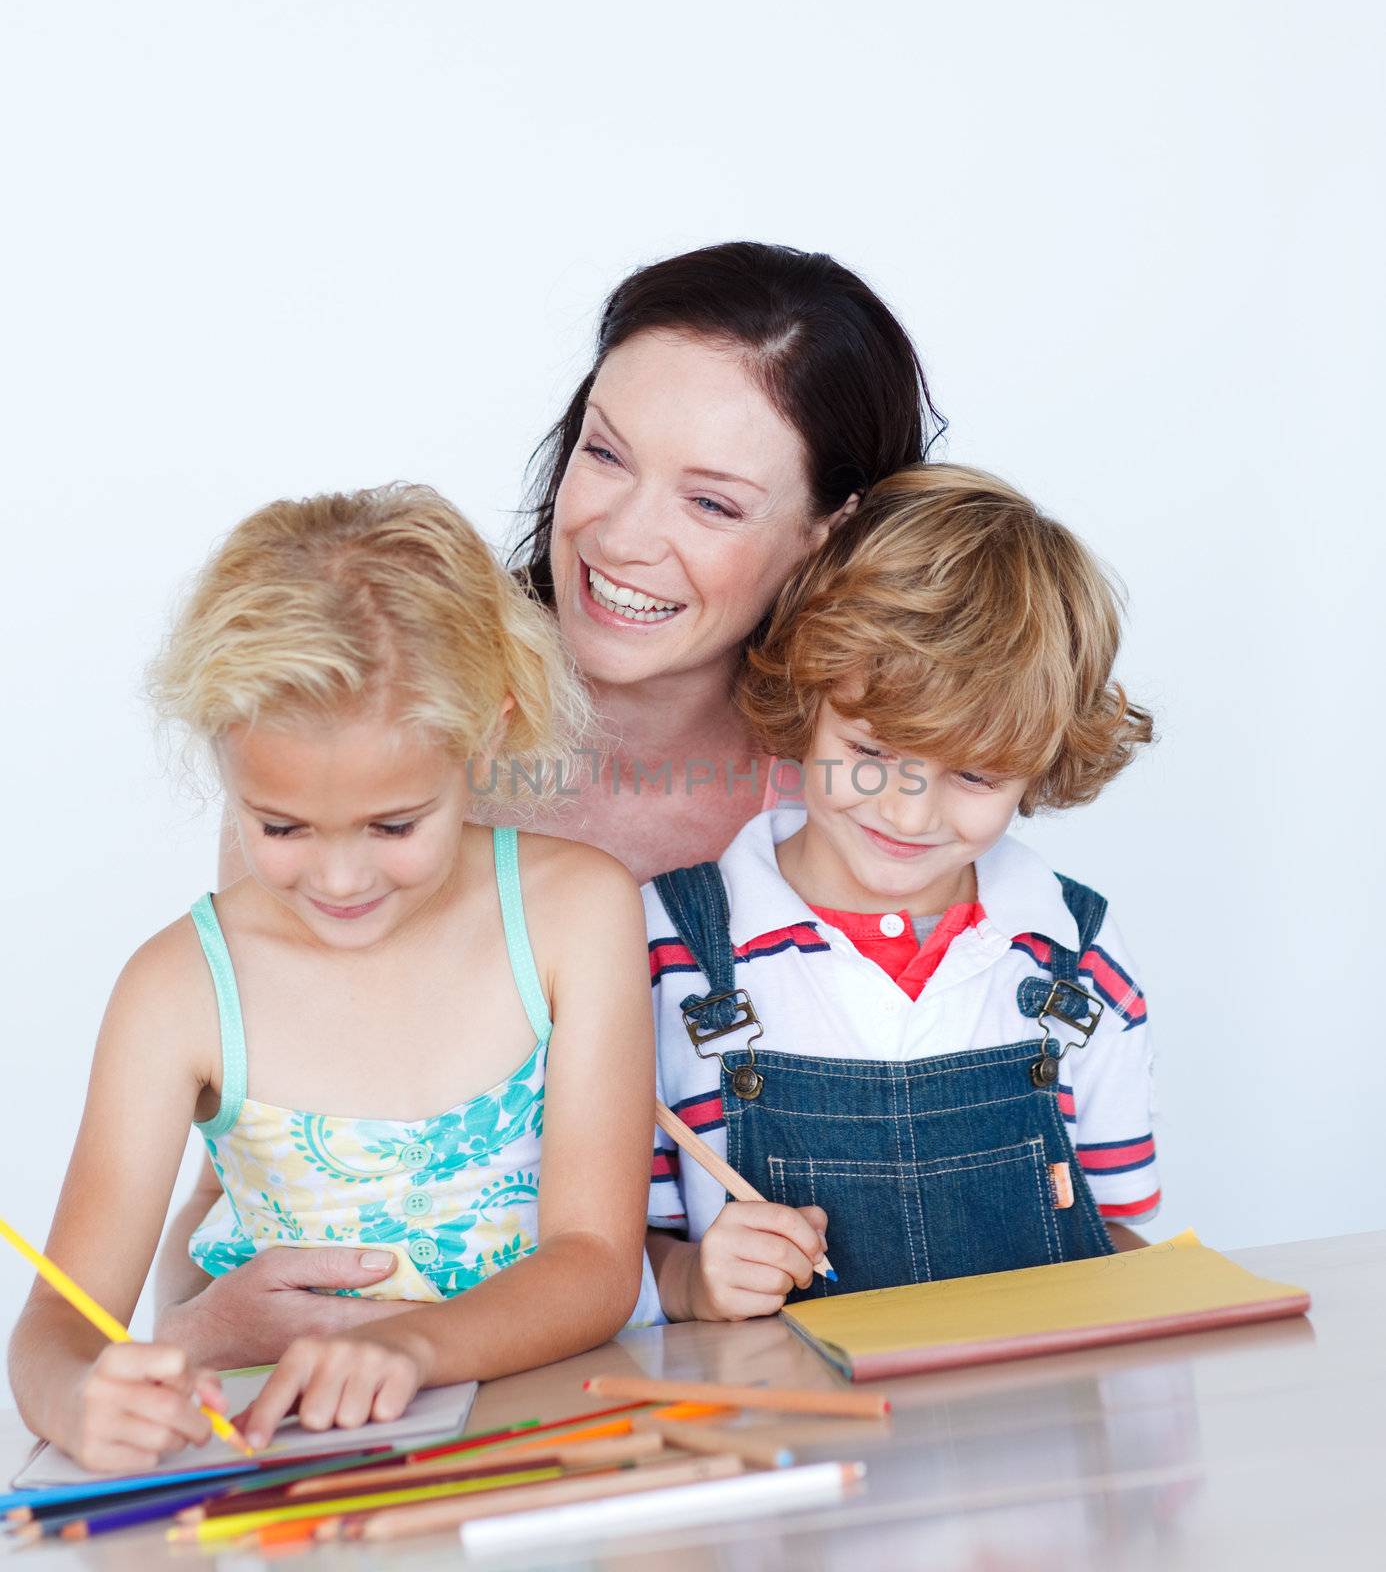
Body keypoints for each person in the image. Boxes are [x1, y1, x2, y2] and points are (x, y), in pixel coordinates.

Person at [162, 240, 946, 1366]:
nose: (622, 536)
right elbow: (233, 1198)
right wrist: (198, 1332)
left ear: (830, 530)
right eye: (606, 454)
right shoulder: (384, 745)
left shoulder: (863, 800)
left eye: (714, 502)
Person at [7, 486, 653, 1470]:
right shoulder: (175, 991)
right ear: (225, 760)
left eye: (394, 825)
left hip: (555, 1442)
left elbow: (597, 1263)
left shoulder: (575, 913)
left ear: (486, 732)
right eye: (282, 827)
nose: (341, 879)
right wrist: (81, 1395)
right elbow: (62, 1323)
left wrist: (411, 1344)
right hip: (287, 1473)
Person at [642, 465, 1158, 1323]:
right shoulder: (669, 952)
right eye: (874, 752)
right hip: (792, 1434)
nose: (910, 812)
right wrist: (691, 1280)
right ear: (807, 698)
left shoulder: (1085, 966)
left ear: (1040, 766)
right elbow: (620, 1248)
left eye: (974, 773)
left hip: (1028, 1436)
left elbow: (1121, 1239)